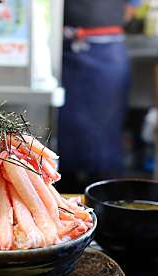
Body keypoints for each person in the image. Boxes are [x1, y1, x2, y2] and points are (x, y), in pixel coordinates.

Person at [58, 0, 141, 192]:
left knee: (105, 141)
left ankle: (106, 204)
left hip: (107, 54)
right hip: (61, 51)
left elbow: (129, 10)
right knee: (62, 138)